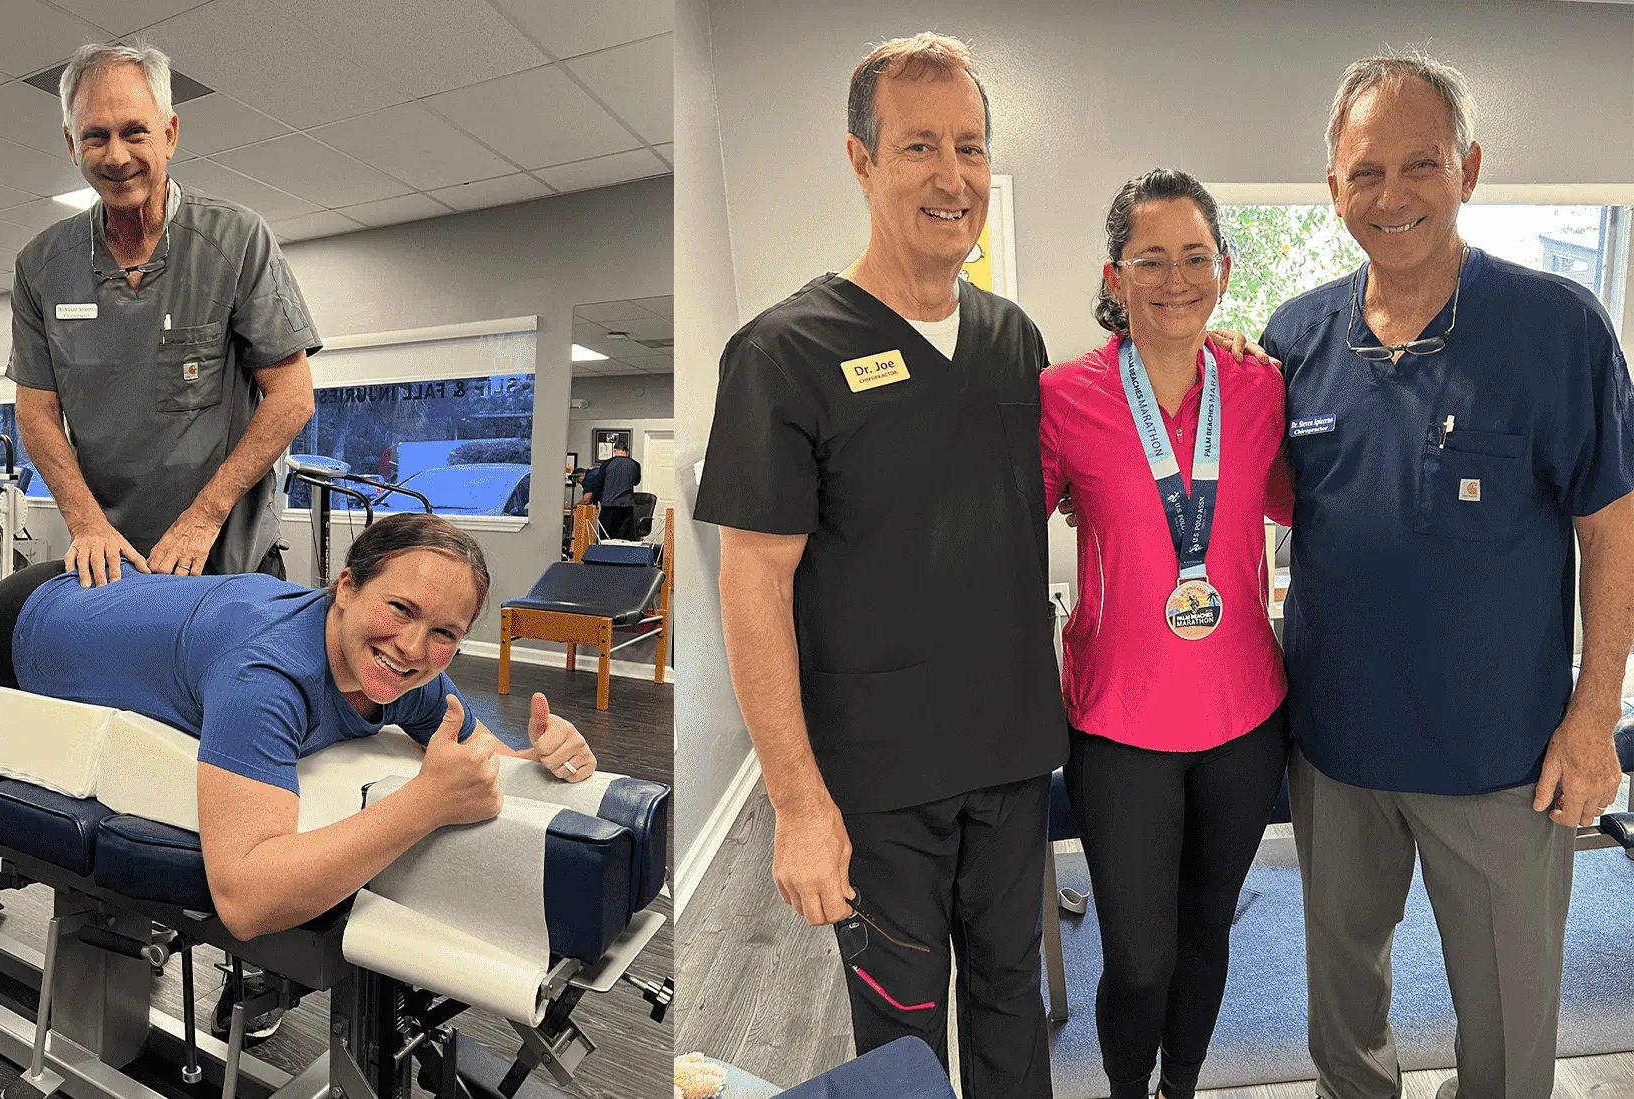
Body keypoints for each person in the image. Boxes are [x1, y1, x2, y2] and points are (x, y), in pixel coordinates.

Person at [694, 34, 1066, 1097]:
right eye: (919, 147)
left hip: (1009, 753)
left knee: (1012, 1001)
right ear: (862, 161)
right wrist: (798, 804)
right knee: (901, 1042)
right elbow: (752, 586)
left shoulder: (1013, 340)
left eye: (970, 147)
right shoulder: (782, 354)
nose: (953, 176)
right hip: (879, 781)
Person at [1262, 51, 1634, 1099]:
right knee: (1342, 1013)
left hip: (1502, 759)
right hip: (1337, 752)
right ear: (1333, 187)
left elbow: (1613, 528)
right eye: (1366, 172)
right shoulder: (1295, 340)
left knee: (1509, 1028)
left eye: (1420, 163)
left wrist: (1594, 715)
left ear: (1467, 167)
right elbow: (1271, 499)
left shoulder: (1558, 328)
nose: (1393, 195)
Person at [0, 514, 598, 942]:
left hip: (125, 609)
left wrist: (539, 752)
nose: (413, 648)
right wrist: (421, 806)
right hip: (36, 619)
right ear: (344, 588)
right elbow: (246, 897)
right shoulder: (267, 678)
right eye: (399, 610)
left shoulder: (400, 671)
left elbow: (468, 746)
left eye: (445, 633)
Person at [1041, 169, 1293, 1099]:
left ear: (1224, 268)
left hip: (1244, 717)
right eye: (1150, 260)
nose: (1174, 279)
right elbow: (1000, 533)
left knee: (1206, 933)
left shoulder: (1262, 385)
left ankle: (1180, 1085)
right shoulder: (1062, 396)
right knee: (1141, 958)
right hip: (1120, 726)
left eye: (1194, 258)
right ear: (1115, 276)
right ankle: (1125, 1089)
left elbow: (1305, 502)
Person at [9, 41, 321, 588]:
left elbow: (292, 397)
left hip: (227, 557)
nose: (116, 156)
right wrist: (86, 523)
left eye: (135, 132)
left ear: (170, 135)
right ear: (71, 145)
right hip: (110, 561)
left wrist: (205, 516)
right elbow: (36, 412)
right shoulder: (41, 265)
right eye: (95, 136)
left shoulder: (236, 239)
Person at [581, 442, 641, 539]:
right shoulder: (635, 464)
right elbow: (636, 481)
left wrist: (595, 503)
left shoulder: (606, 464)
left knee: (606, 537)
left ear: (615, 450)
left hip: (608, 505)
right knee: (624, 539)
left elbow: (598, 484)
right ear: (627, 451)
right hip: (626, 506)